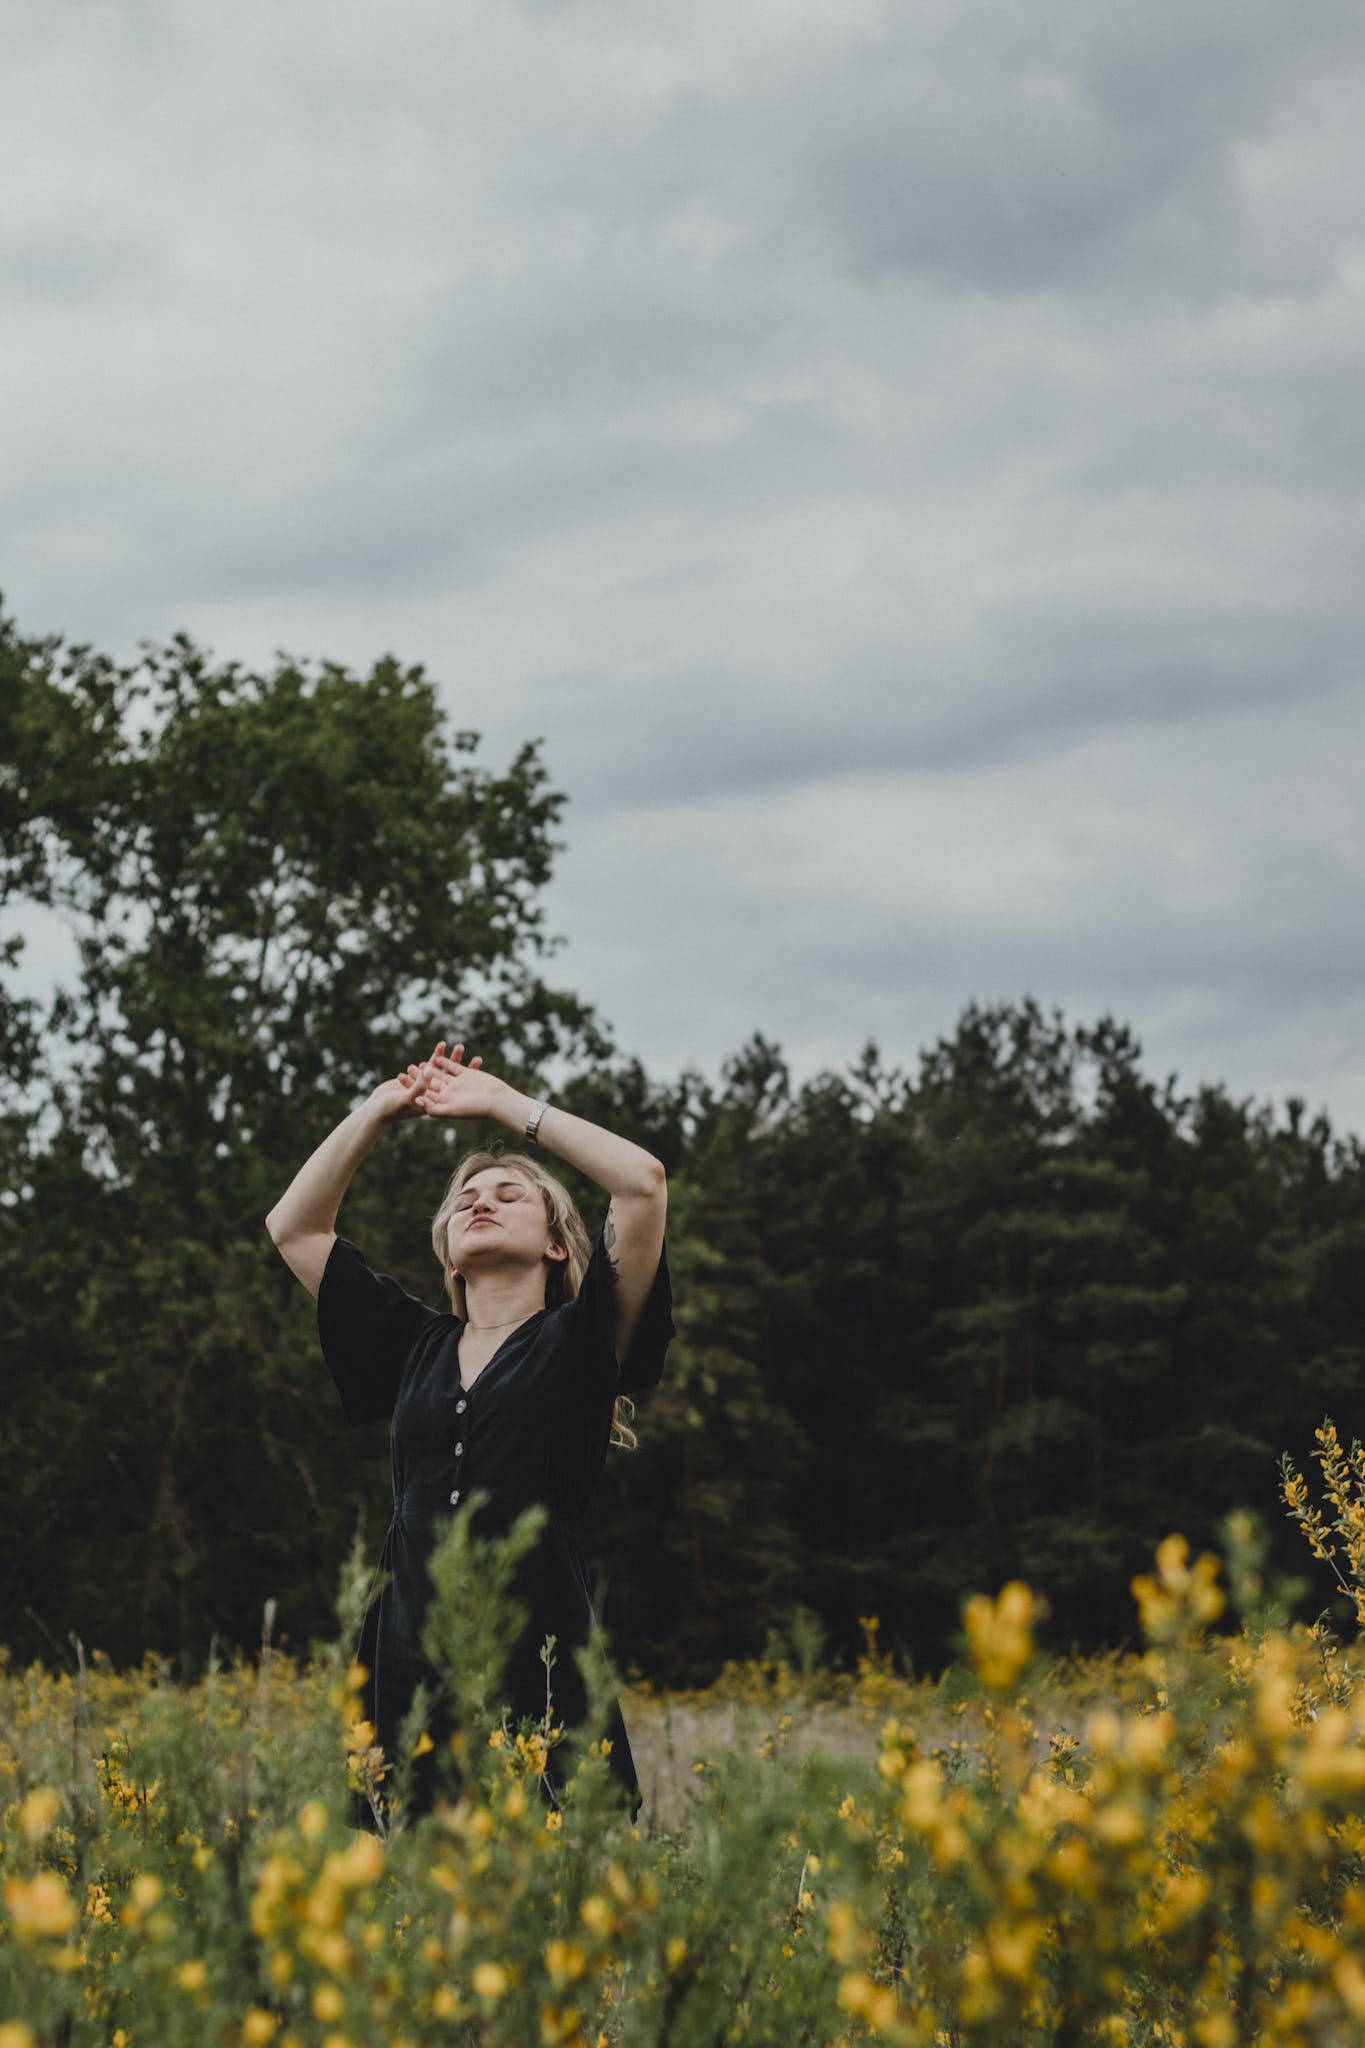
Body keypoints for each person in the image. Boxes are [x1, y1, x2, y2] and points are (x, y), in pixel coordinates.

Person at [265, 1041, 674, 1832]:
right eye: (465, 1200)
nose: (479, 1202)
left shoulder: (583, 1341)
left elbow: (641, 1181)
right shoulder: (409, 1343)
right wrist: (383, 1107)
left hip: (538, 1656)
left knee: (540, 1915)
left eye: (509, 1194)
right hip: (406, 1653)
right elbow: (294, 1227)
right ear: (448, 1254)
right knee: (414, 1917)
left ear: (558, 1243)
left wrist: (503, 1104)